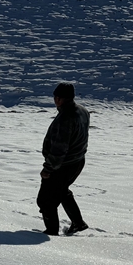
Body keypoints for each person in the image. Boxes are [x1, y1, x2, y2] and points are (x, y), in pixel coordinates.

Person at [37, 83, 89, 236]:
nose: (54, 100)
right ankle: (78, 223)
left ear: (59, 99)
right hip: (77, 161)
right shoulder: (82, 110)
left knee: (45, 200)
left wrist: (48, 169)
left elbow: (59, 149)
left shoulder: (66, 118)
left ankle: (51, 232)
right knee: (61, 191)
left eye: (55, 97)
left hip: (62, 165)